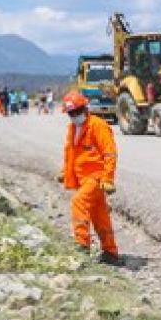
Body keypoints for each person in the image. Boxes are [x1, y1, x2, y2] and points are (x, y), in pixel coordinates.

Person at [57, 91, 120, 265]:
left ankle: (81, 245)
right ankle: (110, 252)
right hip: (82, 178)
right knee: (99, 215)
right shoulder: (72, 128)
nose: (75, 116)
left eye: (77, 111)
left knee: (78, 202)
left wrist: (107, 178)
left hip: (96, 178)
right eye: (71, 113)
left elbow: (110, 153)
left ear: (85, 108)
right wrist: (65, 171)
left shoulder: (98, 126)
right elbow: (70, 152)